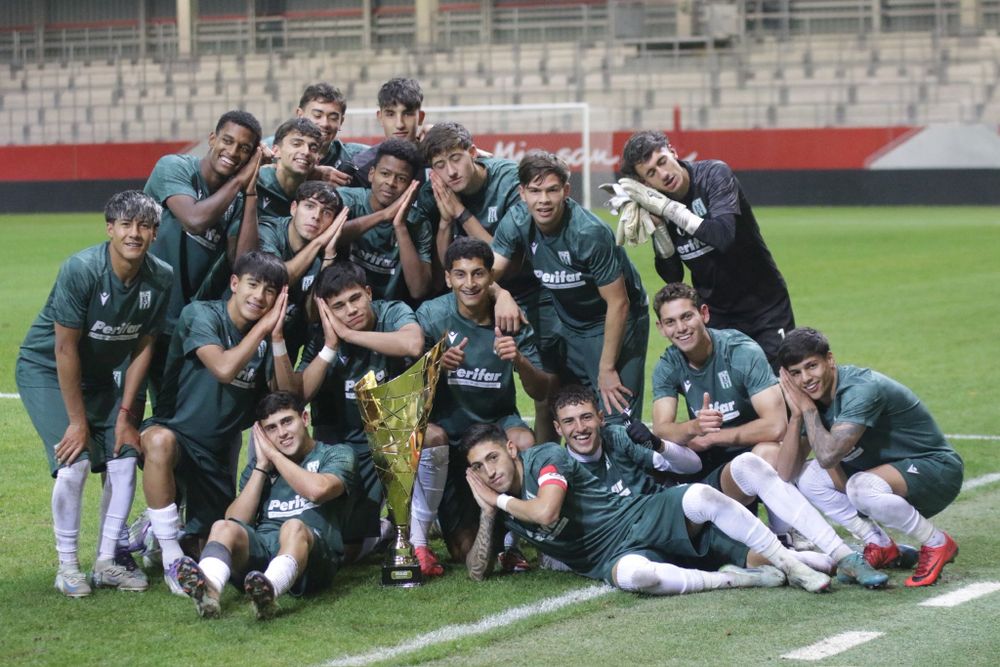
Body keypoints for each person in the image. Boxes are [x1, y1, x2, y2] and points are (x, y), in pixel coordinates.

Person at [649, 283, 888, 587]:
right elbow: (662, 429)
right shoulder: (668, 365)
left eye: (687, 317)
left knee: (766, 453)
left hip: (754, 461)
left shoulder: (740, 351)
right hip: (715, 478)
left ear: (704, 314)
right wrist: (693, 428)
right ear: (660, 328)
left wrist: (714, 437)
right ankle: (838, 552)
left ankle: (792, 536)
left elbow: (775, 425)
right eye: (670, 322)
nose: (680, 328)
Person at [16, 191, 172, 596]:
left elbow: (143, 346)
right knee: (75, 462)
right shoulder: (82, 269)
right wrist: (77, 422)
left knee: (123, 457)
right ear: (110, 229)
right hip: (48, 371)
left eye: (143, 226)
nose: (134, 233)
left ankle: (106, 562)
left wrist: (125, 417)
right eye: (125, 224)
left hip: (102, 377)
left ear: (155, 233)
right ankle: (67, 568)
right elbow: (65, 349)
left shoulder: (161, 276)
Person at [461, 424, 831, 594]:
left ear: (511, 449)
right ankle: (737, 579)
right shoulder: (499, 503)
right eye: (478, 467)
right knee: (637, 577)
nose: (489, 472)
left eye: (492, 458)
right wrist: (489, 513)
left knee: (700, 497)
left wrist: (500, 501)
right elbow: (477, 573)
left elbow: (546, 513)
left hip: (636, 516)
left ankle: (793, 563)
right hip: (607, 559)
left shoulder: (545, 456)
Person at [139, 251, 289, 593]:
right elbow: (223, 369)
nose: (259, 297)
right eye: (252, 285)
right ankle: (172, 557)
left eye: (270, 291)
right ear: (234, 283)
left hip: (216, 456)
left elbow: (283, 398)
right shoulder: (201, 314)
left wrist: (277, 337)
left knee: (216, 547)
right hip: (175, 434)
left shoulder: (268, 336)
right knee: (161, 442)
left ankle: (158, 529)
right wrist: (263, 328)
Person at [777, 327, 963, 587]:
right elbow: (785, 474)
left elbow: (829, 455)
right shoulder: (813, 401)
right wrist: (797, 415)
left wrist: (807, 409)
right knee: (809, 478)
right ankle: (879, 543)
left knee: (860, 487)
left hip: (936, 471)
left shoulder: (860, 389)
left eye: (812, 366)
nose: (806, 379)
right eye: (795, 373)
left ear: (830, 360)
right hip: (890, 475)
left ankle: (937, 542)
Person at [412, 237, 554, 573]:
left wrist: (519, 360)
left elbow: (542, 390)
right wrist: (435, 365)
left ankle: (513, 543)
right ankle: (417, 543)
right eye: (460, 275)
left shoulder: (511, 317)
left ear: (491, 277)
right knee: (465, 552)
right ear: (447, 278)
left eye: (478, 274)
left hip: (494, 429)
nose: (469, 283)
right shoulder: (432, 316)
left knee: (523, 441)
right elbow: (408, 388)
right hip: (449, 437)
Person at [417, 123, 560, 439]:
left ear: (472, 152)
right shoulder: (438, 190)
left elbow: (510, 257)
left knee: (546, 393)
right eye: (440, 166)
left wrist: (461, 213)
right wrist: (445, 219)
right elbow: (450, 263)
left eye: (456, 159)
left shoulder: (509, 181)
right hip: (481, 288)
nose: (451, 172)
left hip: (534, 287)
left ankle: (544, 470)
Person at [278, 260, 423, 562]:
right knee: (346, 552)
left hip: (385, 442)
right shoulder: (321, 336)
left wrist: (350, 335)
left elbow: (412, 343)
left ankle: (413, 536)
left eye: (355, 298)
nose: (351, 310)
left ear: (369, 292)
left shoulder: (392, 312)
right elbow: (299, 395)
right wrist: (331, 346)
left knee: (427, 437)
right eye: (339, 306)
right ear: (326, 311)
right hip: (339, 446)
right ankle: (380, 530)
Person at [491, 150, 649, 425]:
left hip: (614, 321)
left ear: (566, 190)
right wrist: (500, 292)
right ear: (522, 193)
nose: (543, 200)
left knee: (616, 420)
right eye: (535, 191)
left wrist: (607, 367)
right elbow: (488, 272)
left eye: (552, 190)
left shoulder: (588, 233)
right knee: (571, 414)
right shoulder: (517, 220)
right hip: (570, 322)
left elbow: (618, 303)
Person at [172, 391, 356, 619]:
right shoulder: (260, 468)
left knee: (293, 526)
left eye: (287, 422)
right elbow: (235, 520)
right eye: (271, 428)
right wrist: (261, 466)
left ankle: (270, 589)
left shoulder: (336, 454)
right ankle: (209, 590)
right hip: (262, 557)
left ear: (305, 419)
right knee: (222, 526)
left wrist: (275, 457)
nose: (282, 433)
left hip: (314, 558)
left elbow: (318, 491)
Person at [618, 130, 793, 368]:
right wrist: (660, 232)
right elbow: (673, 276)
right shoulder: (657, 203)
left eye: (662, 161)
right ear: (645, 183)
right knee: (729, 397)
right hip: (716, 314)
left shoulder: (713, 175)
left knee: (779, 388)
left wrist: (672, 211)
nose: (663, 173)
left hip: (765, 308)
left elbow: (723, 237)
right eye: (651, 173)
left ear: (672, 151)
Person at [144, 110, 265, 399]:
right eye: (227, 141)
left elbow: (243, 262)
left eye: (244, 149)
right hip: (143, 309)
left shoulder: (237, 200)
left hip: (183, 319)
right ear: (212, 138)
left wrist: (249, 193)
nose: (233, 152)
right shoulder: (174, 167)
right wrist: (238, 182)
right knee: (129, 406)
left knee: (173, 407)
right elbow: (195, 219)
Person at [258, 181, 347, 363]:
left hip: (284, 344)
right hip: (248, 332)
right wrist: (318, 243)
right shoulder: (268, 230)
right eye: (309, 206)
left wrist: (329, 256)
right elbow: (274, 279)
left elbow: (311, 315)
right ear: (293, 208)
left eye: (327, 212)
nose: (316, 216)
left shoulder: (324, 254)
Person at [336, 139, 431, 303]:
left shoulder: (418, 223)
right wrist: (383, 215)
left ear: (411, 185)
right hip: (345, 304)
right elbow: (324, 241)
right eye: (385, 174)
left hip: (390, 310)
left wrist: (400, 226)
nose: (390, 183)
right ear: (372, 174)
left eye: (401, 178)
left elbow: (418, 290)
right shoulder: (346, 199)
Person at [288, 82, 370, 186]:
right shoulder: (274, 149)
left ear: (341, 122)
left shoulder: (356, 155)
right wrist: (314, 173)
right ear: (300, 115)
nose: (325, 123)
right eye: (317, 115)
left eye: (333, 118)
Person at [351, 77, 427, 188]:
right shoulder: (361, 166)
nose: (399, 124)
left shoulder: (437, 159)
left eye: (407, 114)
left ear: (420, 117)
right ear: (380, 118)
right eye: (390, 114)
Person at [256, 117, 323, 220]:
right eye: (296, 144)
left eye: (313, 148)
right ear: (276, 150)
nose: (306, 152)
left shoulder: (319, 197)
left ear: (318, 159)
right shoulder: (255, 182)